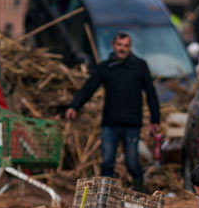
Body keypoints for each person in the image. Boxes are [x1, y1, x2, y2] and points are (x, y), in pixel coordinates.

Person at [66, 31, 160, 192]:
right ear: (113, 45)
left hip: (132, 123)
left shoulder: (139, 66)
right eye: (119, 45)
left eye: (126, 46)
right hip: (110, 123)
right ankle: (105, 195)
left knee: (132, 162)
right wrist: (74, 106)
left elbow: (151, 94)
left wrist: (155, 120)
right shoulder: (106, 67)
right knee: (107, 162)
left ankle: (139, 193)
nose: (122, 49)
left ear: (130, 47)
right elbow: (89, 88)